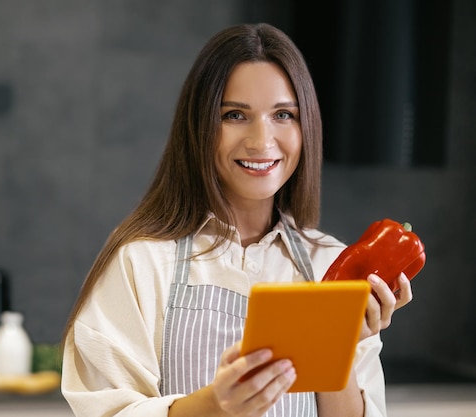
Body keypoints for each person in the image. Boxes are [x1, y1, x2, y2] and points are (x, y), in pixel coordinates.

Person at [60, 22, 413, 417]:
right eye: (234, 115)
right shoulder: (141, 261)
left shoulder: (330, 265)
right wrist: (213, 405)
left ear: (306, 126)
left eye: (283, 114)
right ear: (199, 126)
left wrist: (339, 348)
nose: (262, 141)